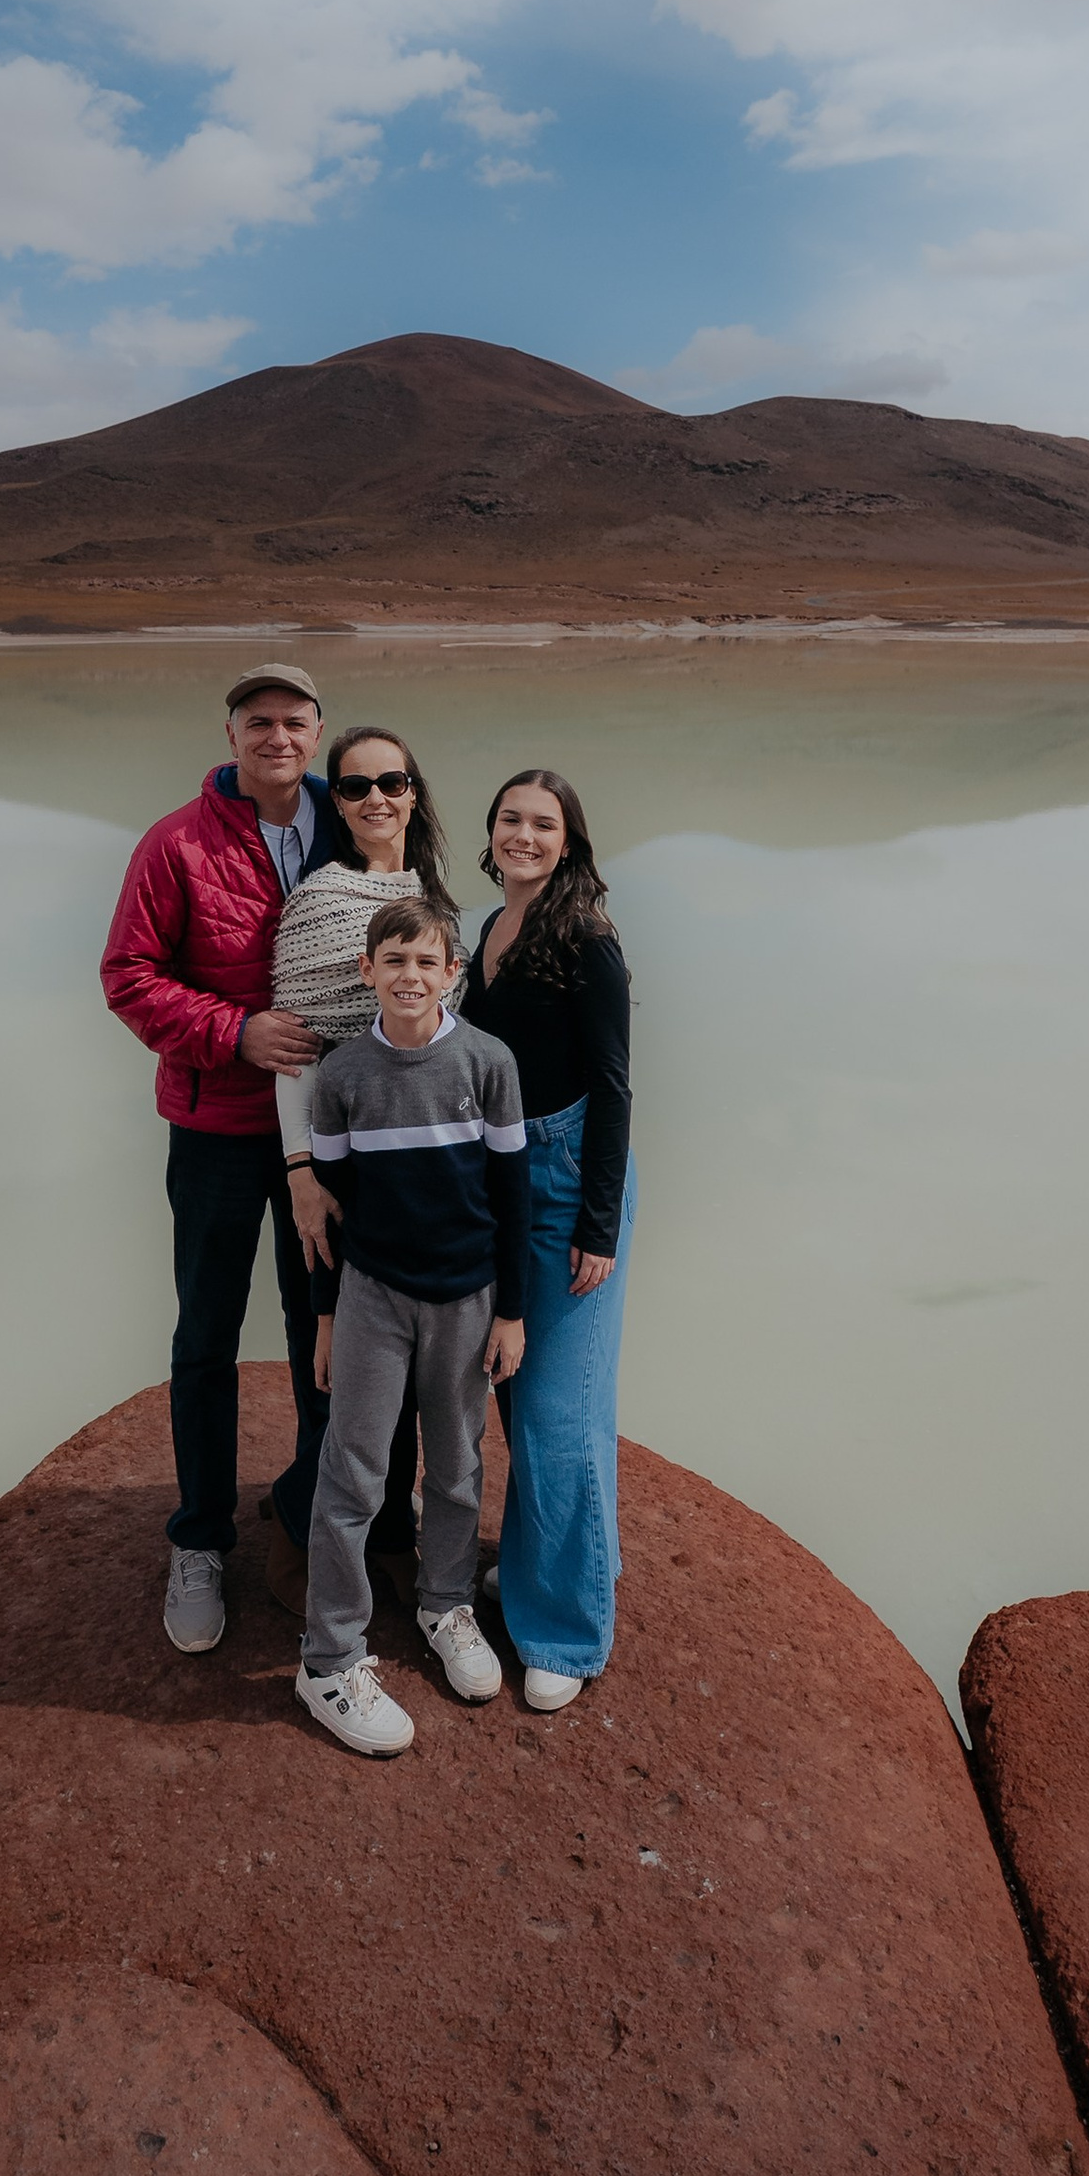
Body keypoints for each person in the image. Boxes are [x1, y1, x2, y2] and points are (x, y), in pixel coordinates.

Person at [99, 663, 337, 1654]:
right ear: (230, 734)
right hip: (217, 1130)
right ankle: (199, 1537)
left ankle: (311, 1514)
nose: (277, 736)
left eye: (294, 721)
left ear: (317, 732)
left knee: (322, 1326)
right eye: (258, 721)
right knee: (206, 1332)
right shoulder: (177, 843)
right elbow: (128, 976)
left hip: (326, 1135)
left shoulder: (351, 823)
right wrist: (235, 1032)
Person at [294, 898, 528, 1757]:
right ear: (367, 971)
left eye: (428, 962)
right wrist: (325, 1319)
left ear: (451, 974)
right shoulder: (343, 1075)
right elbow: (329, 1210)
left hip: (467, 1298)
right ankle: (329, 1658)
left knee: (458, 1463)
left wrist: (513, 1311)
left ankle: (445, 1604)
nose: (410, 976)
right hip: (373, 1296)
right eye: (394, 961)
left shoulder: (488, 1062)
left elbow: (512, 1197)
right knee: (353, 1473)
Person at [264, 725, 459, 1611]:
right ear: (335, 804)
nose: (376, 798)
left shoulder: (435, 895)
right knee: (336, 1361)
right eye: (354, 786)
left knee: (409, 1364)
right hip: (336, 1166)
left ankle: (384, 1530)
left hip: (419, 1166)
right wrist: (301, 1173)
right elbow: (294, 1052)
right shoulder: (318, 901)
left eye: (392, 780)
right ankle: (307, 1525)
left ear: (414, 791)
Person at [458, 767, 635, 1713]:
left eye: (543, 824)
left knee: (559, 1412)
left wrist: (598, 1226)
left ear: (569, 842)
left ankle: (566, 1627)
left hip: (568, 1182)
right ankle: (545, 1564)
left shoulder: (586, 939)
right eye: (509, 819)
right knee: (519, 1390)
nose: (523, 835)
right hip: (504, 1177)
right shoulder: (490, 927)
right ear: (491, 832)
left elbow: (613, 1086)